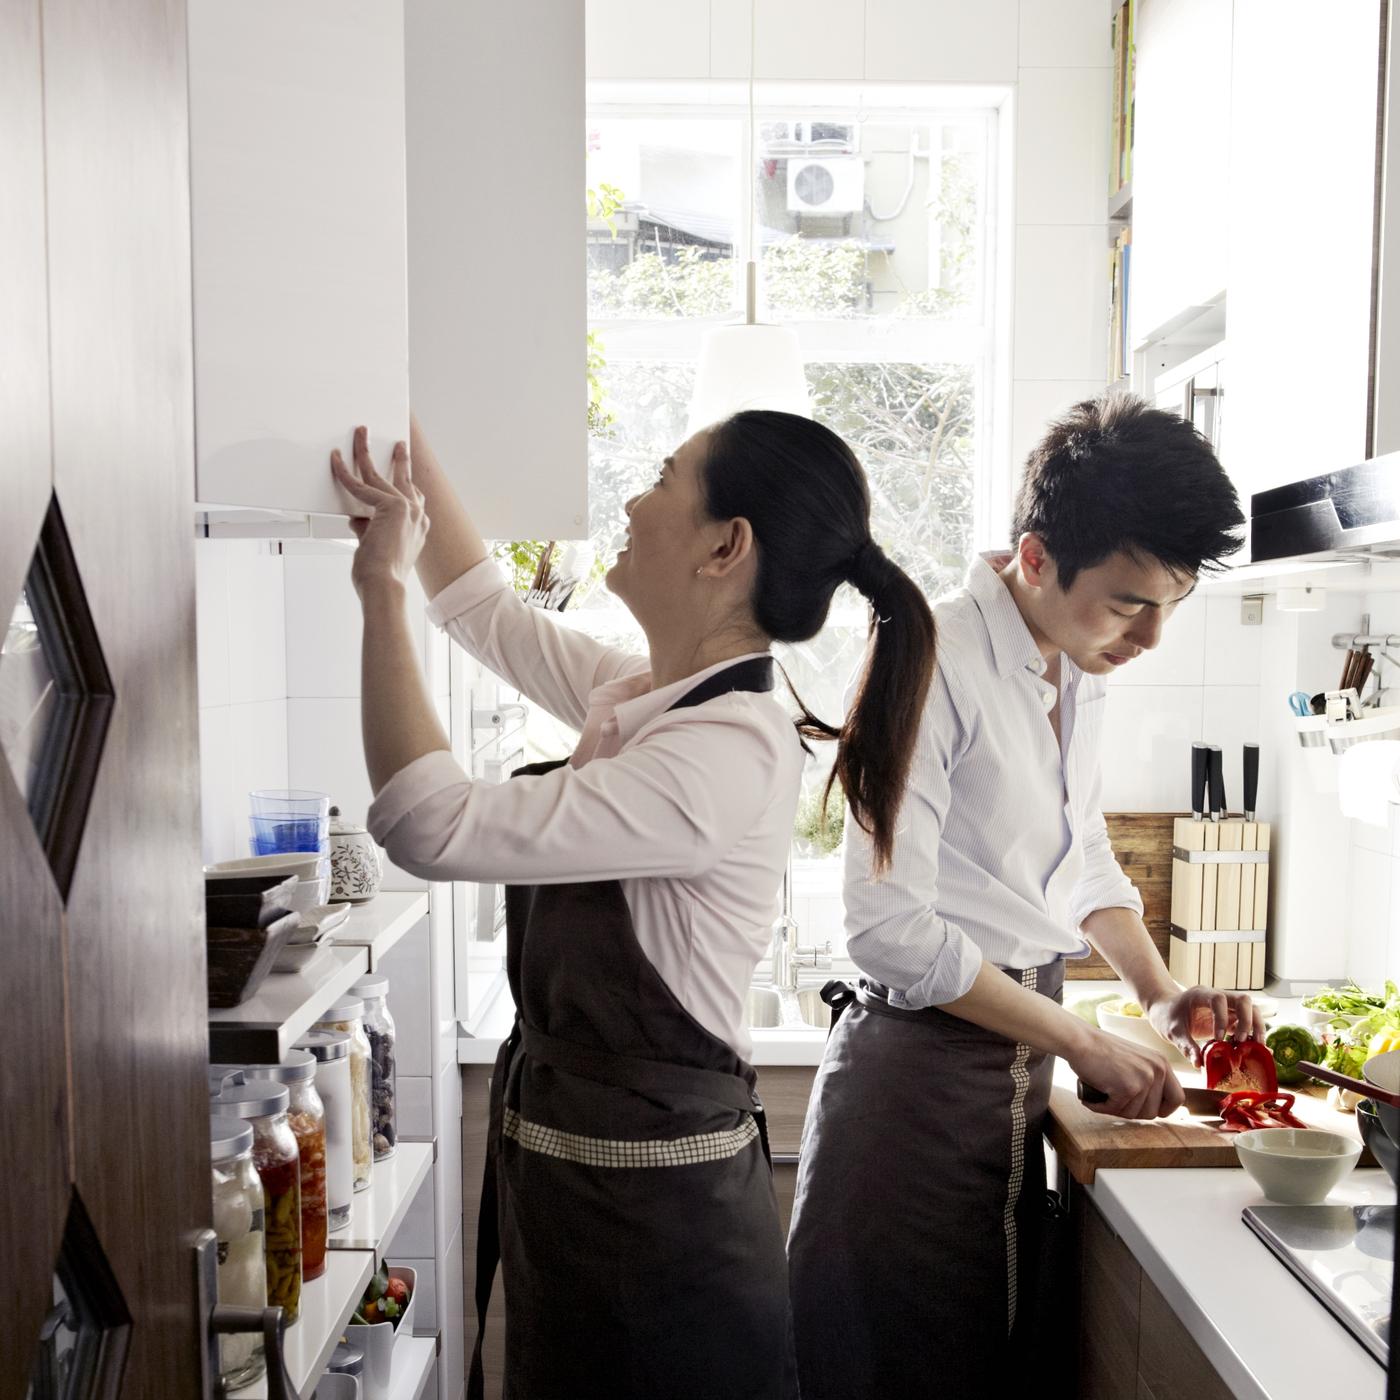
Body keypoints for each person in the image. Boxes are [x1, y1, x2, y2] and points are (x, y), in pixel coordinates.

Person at [329, 410, 936, 1400]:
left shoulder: (723, 750)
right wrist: (394, 411)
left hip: (665, 1251)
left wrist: (374, 592)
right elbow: (481, 607)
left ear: (723, 544)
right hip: (578, 1206)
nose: (629, 497)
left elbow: (426, 822)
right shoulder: (651, 697)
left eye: (661, 476)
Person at [787, 393, 1258, 1399]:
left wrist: (1157, 992)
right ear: (1036, 558)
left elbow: (1076, 849)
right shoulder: (930, 656)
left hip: (1001, 1076)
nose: (1149, 637)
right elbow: (886, 929)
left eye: (1169, 605)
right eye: (1130, 603)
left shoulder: (1066, 661)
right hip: (912, 1093)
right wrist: (1081, 1040)